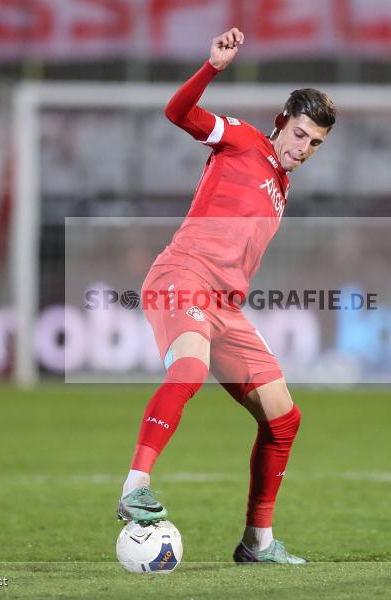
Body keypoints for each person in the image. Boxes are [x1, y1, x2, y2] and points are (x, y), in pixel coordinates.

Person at [115, 28, 335, 564]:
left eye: (314, 144)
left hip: (225, 306)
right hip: (182, 277)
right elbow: (177, 112)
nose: (302, 149)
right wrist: (211, 67)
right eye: (300, 134)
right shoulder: (240, 138)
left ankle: (257, 542)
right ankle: (134, 487)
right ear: (281, 120)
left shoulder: (282, 183)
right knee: (188, 369)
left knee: (284, 417)